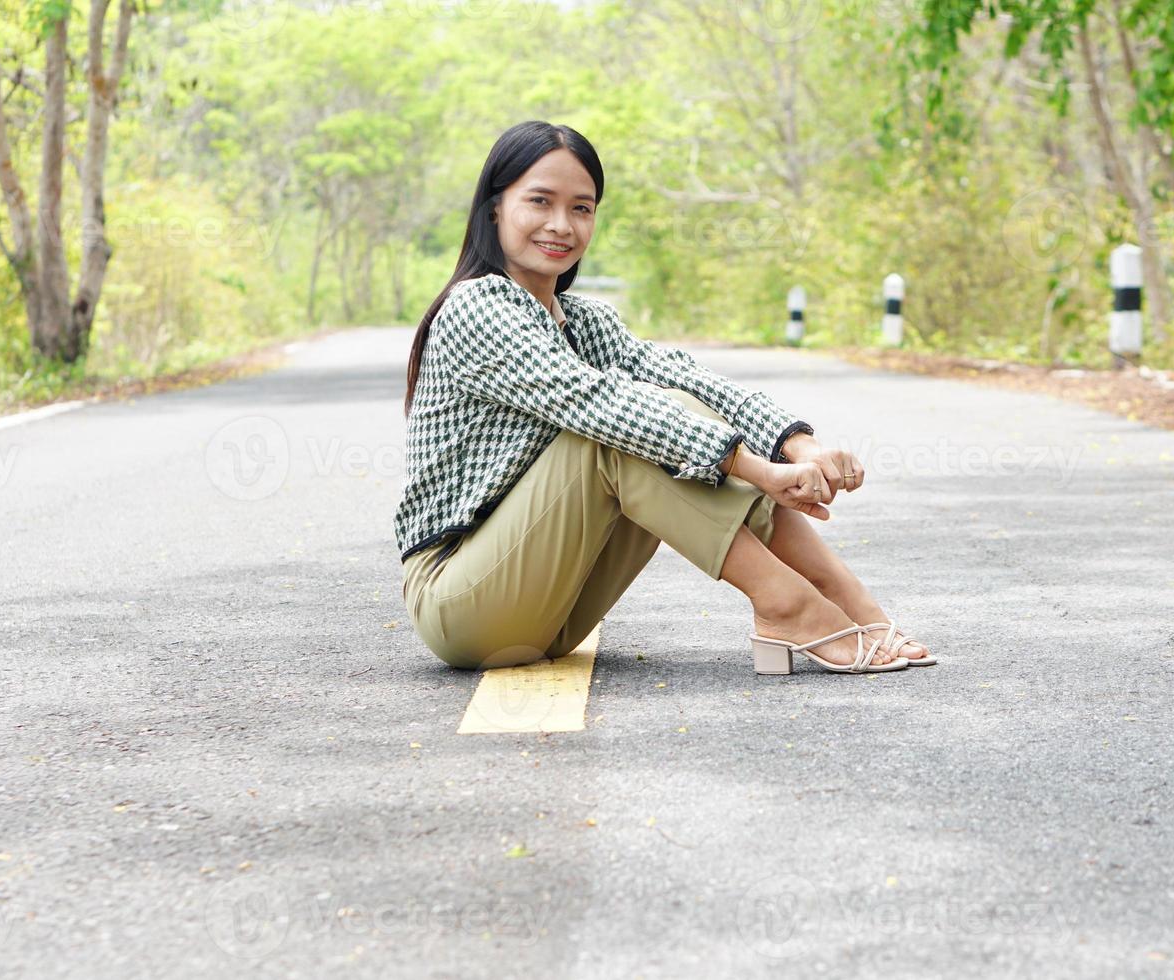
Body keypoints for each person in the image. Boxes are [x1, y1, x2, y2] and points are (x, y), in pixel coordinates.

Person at [394, 120, 935, 674]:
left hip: (554, 609)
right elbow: (599, 404)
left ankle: (845, 601)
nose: (561, 224)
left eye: (581, 208)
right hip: (461, 603)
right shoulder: (476, 307)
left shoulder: (585, 320)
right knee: (616, 434)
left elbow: (690, 380)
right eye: (539, 201)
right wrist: (752, 468)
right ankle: (789, 606)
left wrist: (798, 446)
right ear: (493, 209)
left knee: (675, 403)